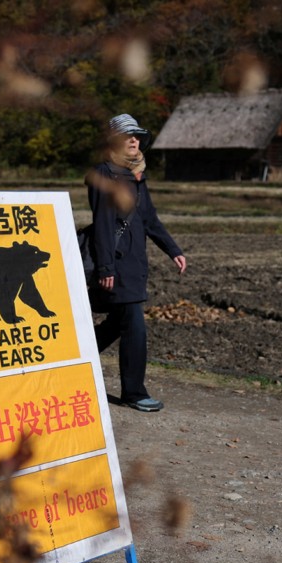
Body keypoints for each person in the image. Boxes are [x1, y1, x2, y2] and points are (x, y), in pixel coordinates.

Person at [85, 113, 187, 412]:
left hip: (135, 263)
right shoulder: (104, 174)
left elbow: (149, 219)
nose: (133, 140)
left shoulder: (137, 175)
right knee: (134, 326)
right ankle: (134, 392)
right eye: (127, 135)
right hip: (116, 263)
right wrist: (106, 267)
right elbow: (103, 223)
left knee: (117, 324)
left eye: (137, 136)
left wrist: (173, 249)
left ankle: (72, 359)